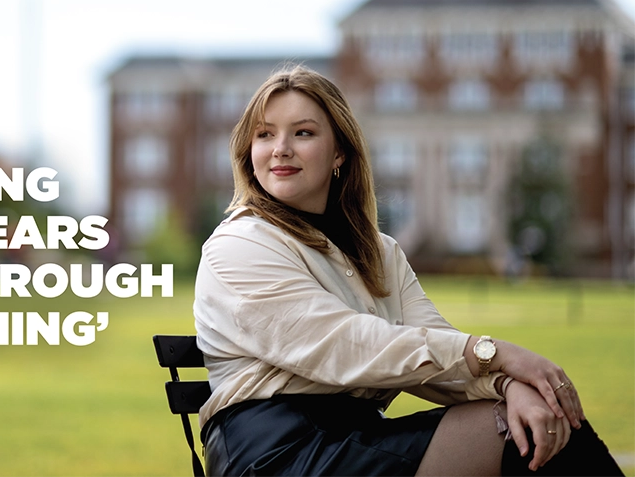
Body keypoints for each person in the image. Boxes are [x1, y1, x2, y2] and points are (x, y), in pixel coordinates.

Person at [193, 66, 622, 477]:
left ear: (339, 151)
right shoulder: (239, 245)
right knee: (523, 438)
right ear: (249, 153)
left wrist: (509, 387)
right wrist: (495, 352)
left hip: (358, 438)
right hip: (278, 455)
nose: (280, 148)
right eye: (265, 134)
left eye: (302, 132)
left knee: (542, 426)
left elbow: (437, 352)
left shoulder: (379, 254)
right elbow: (348, 346)